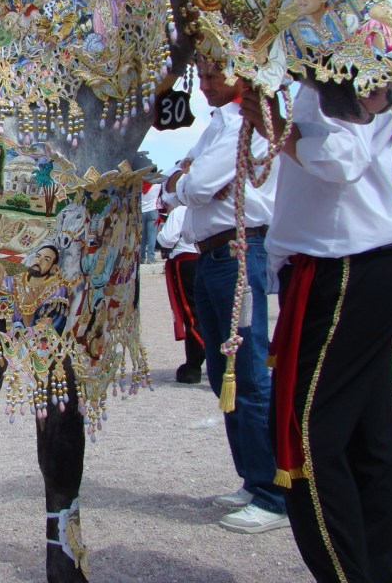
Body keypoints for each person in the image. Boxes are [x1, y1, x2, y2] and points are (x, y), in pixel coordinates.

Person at [241, 81, 392, 583]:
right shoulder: (320, 70)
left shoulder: (330, 65)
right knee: (367, 433)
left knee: (306, 437)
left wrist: (278, 129)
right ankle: (381, 573)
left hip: (347, 264)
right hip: (359, 262)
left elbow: (343, 158)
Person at [162, 57, 286, 534]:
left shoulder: (242, 122)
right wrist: (186, 180)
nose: (206, 83)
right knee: (222, 372)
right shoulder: (220, 123)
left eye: (215, 74)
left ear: (240, 74)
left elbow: (193, 186)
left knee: (247, 372)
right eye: (202, 74)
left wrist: (187, 180)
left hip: (237, 249)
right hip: (214, 251)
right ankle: (254, 479)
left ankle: (273, 493)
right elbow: (179, 183)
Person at [157, 203, 205, 384]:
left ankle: (193, 365)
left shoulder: (181, 211)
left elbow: (166, 239)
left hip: (186, 259)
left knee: (192, 313)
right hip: (212, 257)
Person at [140, 180, 162, 264]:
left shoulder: (139, 185)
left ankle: (142, 257)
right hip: (153, 210)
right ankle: (150, 257)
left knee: (142, 237)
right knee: (152, 236)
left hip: (142, 211)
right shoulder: (157, 184)